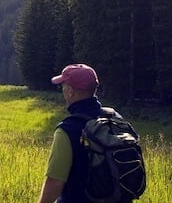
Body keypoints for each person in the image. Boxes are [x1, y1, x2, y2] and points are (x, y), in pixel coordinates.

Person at [38, 63, 125, 203]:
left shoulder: (67, 130)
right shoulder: (114, 117)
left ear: (71, 91)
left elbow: (54, 182)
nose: (63, 90)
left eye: (63, 86)